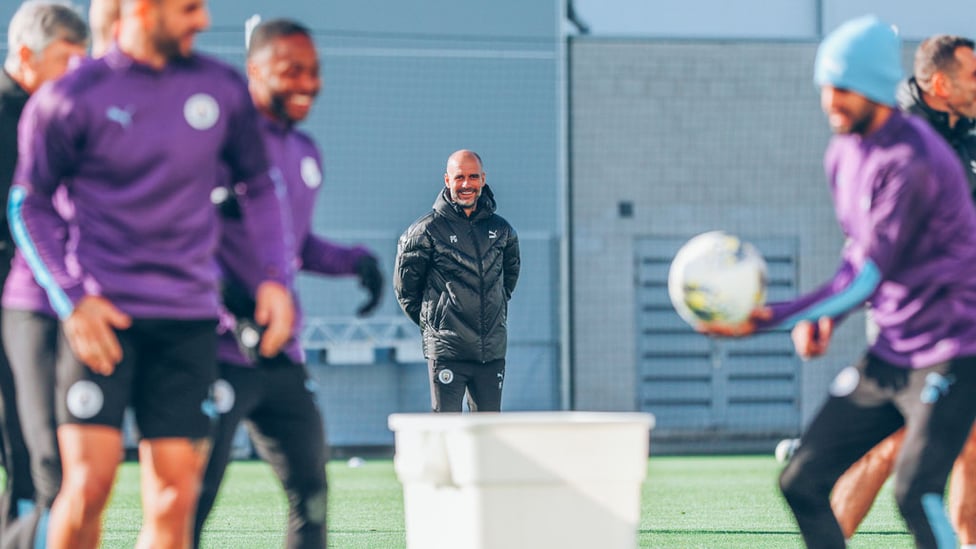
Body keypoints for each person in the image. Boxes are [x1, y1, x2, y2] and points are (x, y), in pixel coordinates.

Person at [9, 0, 296, 548]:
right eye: (189, 9)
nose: (203, 21)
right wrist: (71, 298)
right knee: (89, 486)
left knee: (175, 495)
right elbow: (30, 203)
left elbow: (259, 185)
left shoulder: (223, 89)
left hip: (187, 320)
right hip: (104, 321)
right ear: (142, 9)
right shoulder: (70, 96)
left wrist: (274, 277)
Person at [699, 15, 976, 549]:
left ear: (872, 87)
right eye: (826, 87)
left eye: (843, 88)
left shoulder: (912, 157)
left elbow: (871, 270)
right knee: (801, 480)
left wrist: (773, 317)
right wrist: (826, 312)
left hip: (953, 350)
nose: (831, 100)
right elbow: (860, 250)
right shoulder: (843, 152)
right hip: (894, 351)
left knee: (915, 492)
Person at [192, 18, 384, 549]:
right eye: (290, 69)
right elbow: (185, 241)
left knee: (312, 493)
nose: (307, 82)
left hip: (281, 357)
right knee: (193, 499)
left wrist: (354, 262)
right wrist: (236, 305)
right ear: (254, 70)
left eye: (314, 70)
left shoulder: (305, 153)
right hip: (217, 351)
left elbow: (295, 246)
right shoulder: (216, 146)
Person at [828, 34, 976, 546]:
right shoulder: (903, 136)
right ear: (940, 84)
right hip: (913, 320)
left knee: (972, 445)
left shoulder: (965, 128)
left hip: (960, 316)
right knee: (892, 443)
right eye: (973, 77)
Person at [0, 2, 88, 545]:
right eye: (65, 59)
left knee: (36, 441)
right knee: (26, 441)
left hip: (40, 293)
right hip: (16, 291)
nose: (76, 71)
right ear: (27, 55)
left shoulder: (61, 112)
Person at [394, 150, 520, 412]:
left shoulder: (503, 231)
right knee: (447, 433)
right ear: (447, 180)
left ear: (483, 179)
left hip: (491, 352)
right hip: (447, 351)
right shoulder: (425, 231)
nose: (466, 184)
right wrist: (437, 324)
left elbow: (507, 282)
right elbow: (406, 291)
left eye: (473, 177)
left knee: (488, 433)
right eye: (459, 177)